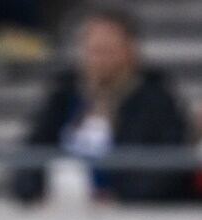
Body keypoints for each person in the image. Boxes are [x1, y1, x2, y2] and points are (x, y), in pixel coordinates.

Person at [12, 5, 192, 204]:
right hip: (65, 207)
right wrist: (35, 193)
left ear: (130, 50)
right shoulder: (63, 95)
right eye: (94, 49)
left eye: (108, 50)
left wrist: (121, 198)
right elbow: (31, 153)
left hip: (129, 213)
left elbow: (169, 164)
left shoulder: (156, 100)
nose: (99, 59)